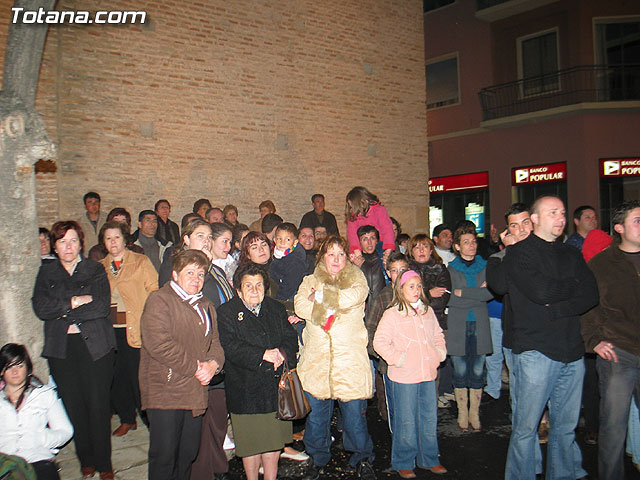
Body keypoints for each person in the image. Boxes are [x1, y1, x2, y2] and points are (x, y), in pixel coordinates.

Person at [503, 195, 599, 480]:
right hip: (535, 352)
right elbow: (540, 292)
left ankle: (564, 474)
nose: (560, 218)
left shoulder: (570, 253)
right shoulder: (520, 253)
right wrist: (572, 288)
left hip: (571, 350)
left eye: (563, 212)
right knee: (526, 428)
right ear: (534, 219)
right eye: (552, 212)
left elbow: (591, 294)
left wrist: (557, 308)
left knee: (565, 428)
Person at [31, 220, 116, 480]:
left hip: (95, 347)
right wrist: (76, 301)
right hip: (62, 349)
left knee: (98, 406)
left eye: (73, 241)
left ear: (81, 243)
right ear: (55, 247)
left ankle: (104, 464)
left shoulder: (94, 269)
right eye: (62, 242)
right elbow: (41, 308)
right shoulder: (46, 273)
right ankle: (86, 459)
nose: (68, 247)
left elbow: (101, 306)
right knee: (74, 406)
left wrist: (62, 309)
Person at [294, 234, 376, 480]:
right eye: (331, 254)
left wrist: (318, 296)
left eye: (341, 254)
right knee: (317, 418)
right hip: (318, 361)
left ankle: (362, 458)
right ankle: (317, 458)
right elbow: (300, 306)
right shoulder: (309, 279)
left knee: (354, 418)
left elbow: (356, 296)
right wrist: (328, 300)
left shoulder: (357, 278)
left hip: (348, 361)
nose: (337, 259)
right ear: (322, 257)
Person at [139, 250, 225, 480]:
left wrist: (214, 364)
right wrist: (197, 368)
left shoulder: (205, 305)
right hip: (166, 389)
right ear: (175, 274)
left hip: (194, 390)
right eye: (190, 273)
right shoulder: (159, 300)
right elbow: (158, 343)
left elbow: (216, 342)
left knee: (188, 452)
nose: (196, 279)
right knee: (165, 455)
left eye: (200, 274)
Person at [217, 263, 299, 480]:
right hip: (245, 389)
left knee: (273, 443)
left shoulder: (276, 308)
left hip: (274, 389)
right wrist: (262, 354)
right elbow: (229, 345)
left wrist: (282, 353)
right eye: (248, 285)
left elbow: (290, 338)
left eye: (259, 285)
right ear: (238, 290)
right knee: (251, 444)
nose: (254, 290)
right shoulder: (227, 312)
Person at [581, 200, 640, 480]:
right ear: (619, 228)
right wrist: (594, 341)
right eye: (638, 221)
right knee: (614, 427)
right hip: (620, 355)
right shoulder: (602, 264)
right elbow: (587, 308)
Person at [373, 270, 447, 478]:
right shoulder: (392, 313)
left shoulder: (427, 311)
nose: (415, 290)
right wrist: (399, 359)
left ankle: (429, 458)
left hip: (427, 374)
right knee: (406, 420)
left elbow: (438, 335)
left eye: (418, 286)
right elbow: (379, 342)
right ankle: (404, 460)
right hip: (404, 376)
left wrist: (439, 353)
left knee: (428, 418)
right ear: (401, 289)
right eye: (410, 286)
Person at [98, 221, 158, 437]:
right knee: (117, 377)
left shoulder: (140, 261)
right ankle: (126, 418)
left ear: (124, 239)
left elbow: (154, 290)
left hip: (135, 326)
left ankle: (151, 419)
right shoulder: (100, 266)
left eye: (116, 237)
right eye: (108, 238)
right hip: (110, 330)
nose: (113, 242)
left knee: (138, 376)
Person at [0, 343, 73, 480]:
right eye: (9, 367)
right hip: (5, 460)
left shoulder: (44, 395)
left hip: (37, 457)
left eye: (19, 365)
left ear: (27, 369)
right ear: (2, 371)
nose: (15, 371)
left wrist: (41, 439)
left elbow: (66, 431)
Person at [446, 225, 493, 432]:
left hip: (480, 324)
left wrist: (462, 293)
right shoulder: (451, 269)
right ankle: (462, 412)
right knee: (460, 369)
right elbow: (449, 298)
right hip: (458, 324)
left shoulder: (486, 266)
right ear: (457, 246)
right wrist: (475, 294)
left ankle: (474, 412)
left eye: (473, 241)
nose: (471, 245)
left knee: (477, 369)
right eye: (466, 242)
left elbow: (490, 294)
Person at [365, 252, 410, 425]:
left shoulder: (415, 293)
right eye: (394, 270)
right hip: (390, 363)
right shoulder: (383, 298)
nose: (398, 274)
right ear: (388, 273)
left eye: (403, 270)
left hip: (413, 362)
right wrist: (382, 355)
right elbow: (370, 329)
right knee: (394, 407)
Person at [345, 186, 395, 262]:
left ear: (365, 202)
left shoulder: (379, 210)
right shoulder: (353, 216)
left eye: (354, 206)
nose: (353, 209)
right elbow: (352, 234)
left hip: (380, 242)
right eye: (351, 207)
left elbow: (387, 229)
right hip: (362, 245)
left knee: (384, 261)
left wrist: (388, 249)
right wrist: (356, 250)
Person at [269, 222, 308, 309]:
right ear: (274, 240)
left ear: (295, 242)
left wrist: (277, 300)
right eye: (279, 239)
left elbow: (290, 284)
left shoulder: (296, 260)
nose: (282, 243)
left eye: (287, 240)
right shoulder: (279, 253)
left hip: (292, 296)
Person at [351, 225, 386, 314]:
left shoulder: (383, 259)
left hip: (381, 307)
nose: (369, 242)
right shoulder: (354, 262)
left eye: (372, 238)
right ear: (359, 242)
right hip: (361, 309)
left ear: (377, 241)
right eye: (365, 239)